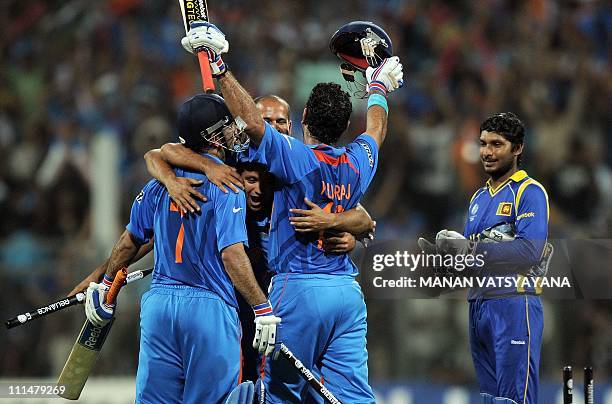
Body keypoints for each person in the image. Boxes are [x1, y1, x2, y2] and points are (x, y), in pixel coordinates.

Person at [180, 21, 403, 402]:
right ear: (346, 126)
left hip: (296, 289)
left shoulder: (294, 157)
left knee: (280, 393)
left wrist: (218, 63)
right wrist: (378, 88)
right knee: (352, 394)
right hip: (346, 293)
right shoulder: (359, 160)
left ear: (301, 121)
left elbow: (250, 122)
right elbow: (377, 129)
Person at [143, 94, 375, 384]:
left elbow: (362, 217)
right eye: (266, 121)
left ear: (292, 125)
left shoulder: (295, 163)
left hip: (278, 291)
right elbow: (160, 152)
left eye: (281, 121)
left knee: (283, 382)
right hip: (233, 291)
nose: (274, 127)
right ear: (247, 124)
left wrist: (337, 225)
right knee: (242, 379)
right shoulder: (234, 157)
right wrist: (199, 170)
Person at [82, 94, 278, 403]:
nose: (234, 132)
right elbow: (231, 254)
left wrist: (107, 286)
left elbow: (129, 241)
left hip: (159, 307)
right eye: (227, 127)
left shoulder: (158, 183)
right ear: (213, 137)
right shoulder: (227, 184)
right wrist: (262, 308)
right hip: (209, 309)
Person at [420, 112, 550, 404]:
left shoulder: (529, 192)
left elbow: (530, 252)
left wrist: (471, 250)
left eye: (497, 144)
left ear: (517, 149)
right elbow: (472, 263)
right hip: (478, 306)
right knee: (491, 399)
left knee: (516, 399)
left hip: (514, 304)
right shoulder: (478, 199)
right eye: (483, 144)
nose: (487, 153)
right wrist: (445, 264)